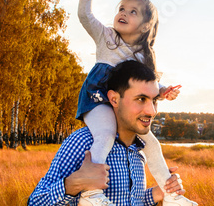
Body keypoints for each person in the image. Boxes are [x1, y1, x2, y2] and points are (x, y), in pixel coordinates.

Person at [75, 0, 197, 206]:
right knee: (106, 133)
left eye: (133, 12)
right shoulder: (105, 36)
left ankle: (171, 195)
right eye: (122, 8)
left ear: (144, 26)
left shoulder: (143, 55)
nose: (124, 13)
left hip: (122, 105)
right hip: (98, 97)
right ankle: (91, 193)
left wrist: (163, 91)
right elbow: (84, 15)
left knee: (152, 143)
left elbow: (145, 85)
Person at [28, 60, 189, 205]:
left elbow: (131, 201)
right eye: (141, 99)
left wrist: (159, 192)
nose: (152, 111)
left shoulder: (139, 150)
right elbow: (35, 202)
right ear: (114, 99)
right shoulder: (83, 142)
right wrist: (74, 183)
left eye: (153, 100)